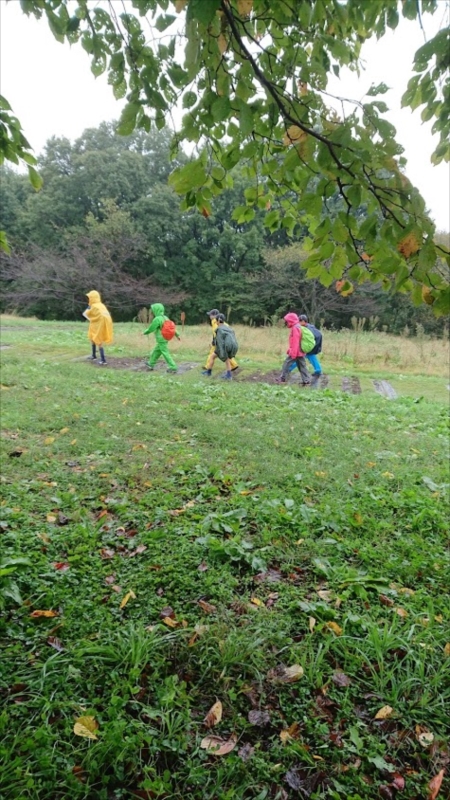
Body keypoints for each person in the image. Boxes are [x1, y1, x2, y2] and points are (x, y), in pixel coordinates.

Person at [143, 302, 180, 372]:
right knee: (157, 351)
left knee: (165, 352)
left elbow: (151, 328)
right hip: (166, 337)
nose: (152, 312)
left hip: (161, 338)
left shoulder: (157, 319)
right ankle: (151, 363)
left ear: (156, 310)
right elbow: (172, 328)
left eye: (153, 310)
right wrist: (177, 335)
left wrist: (145, 332)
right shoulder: (166, 317)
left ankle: (173, 367)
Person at [277, 312, 311, 384]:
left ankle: (282, 379)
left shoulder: (295, 328)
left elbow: (296, 341)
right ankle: (306, 380)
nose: (286, 323)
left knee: (286, 364)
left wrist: (293, 353)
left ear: (290, 321)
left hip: (296, 352)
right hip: (300, 352)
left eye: (287, 321)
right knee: (302, 366)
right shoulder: (298, 326)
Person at [202, 309, 239, 375]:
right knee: (221, 357)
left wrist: (214, 341)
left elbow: (216, 333)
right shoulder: (226, 325)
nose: (210, 316)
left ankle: (209, 370)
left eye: (211, 315)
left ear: (216, 318)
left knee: (219, 356)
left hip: (222, 344)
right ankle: (232, 368)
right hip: (231, 344)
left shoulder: (214, 322)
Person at [288, 314, 323, 385]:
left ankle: (289, 368)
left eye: (300, 321)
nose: (298, 323)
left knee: (299, 358)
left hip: (311, 344)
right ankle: (318, 370)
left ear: (304, 321)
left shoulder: (305, 328)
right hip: (314, 343)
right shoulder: (310, 326)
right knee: (311, 357)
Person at [82, 290, 113, 365]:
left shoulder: (94, 306)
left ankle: (103, 360)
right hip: (99, 324)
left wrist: (91, 319)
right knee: (93, 338)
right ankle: (93, 355)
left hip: (98, 325)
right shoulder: (101, 305)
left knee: (98, 341)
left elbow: (84, 314)